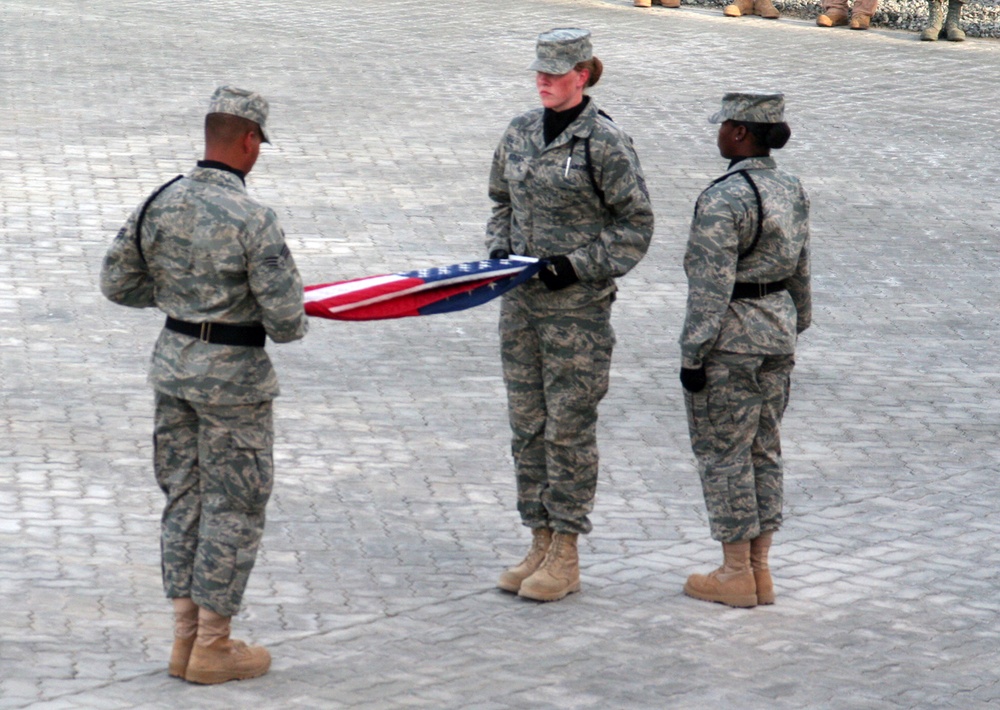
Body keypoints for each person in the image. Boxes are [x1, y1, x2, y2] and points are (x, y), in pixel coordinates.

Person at [100, 86, 308, 683]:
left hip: (172, 366)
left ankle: (184, 641)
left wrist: (177, 304)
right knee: (234, 504)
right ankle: (214, 647)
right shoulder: (253, 218)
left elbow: (117, 283)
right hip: (234, 383)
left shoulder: (159, 201)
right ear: (249, 142)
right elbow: (288, 321)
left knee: (184, 498)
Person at [486, 28, 654, 602]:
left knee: (568, 429)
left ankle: (566, 551)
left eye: (555, 75)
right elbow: (500, 203)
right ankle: (537, 537)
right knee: (527, 426)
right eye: (538, 72)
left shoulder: (603, 143)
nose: (543, 82)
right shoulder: (519, 132)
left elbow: (636, 227)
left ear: (581, 76)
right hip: (520, 309)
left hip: (576, 314)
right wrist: (497, 250)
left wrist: (578, 265)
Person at [679, 92, 810, 608]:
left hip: (731, 340)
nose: (717, 135)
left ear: (739, 133)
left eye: (723, 126)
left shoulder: (723, 198)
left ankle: (735, 573)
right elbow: (802, 266)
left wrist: (693, 354)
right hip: (778, 330)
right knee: (765, 449)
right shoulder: (792, 187)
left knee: (724, 454)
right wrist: (796, 321)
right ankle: (760, 571)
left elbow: (709, 287)